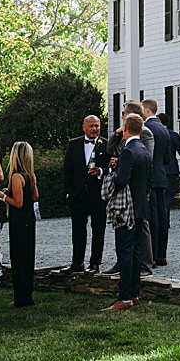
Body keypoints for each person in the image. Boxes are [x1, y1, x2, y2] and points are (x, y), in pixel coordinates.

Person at [102, 113, 151, 312]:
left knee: (124, 251)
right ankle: (135, 293)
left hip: (127, 208)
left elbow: (121, 180)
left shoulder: (129, 151)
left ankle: (124, 297)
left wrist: (111, 173)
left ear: (126, 128)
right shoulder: (145, 150)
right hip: (141, 206)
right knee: (136, 252)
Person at [0, 142, 38, 307]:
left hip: (19, 221)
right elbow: (34, 196)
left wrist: (1, 196)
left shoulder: (17, 176)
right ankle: (26, 295)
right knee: (27, 257)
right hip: (29, 219)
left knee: (19, 258)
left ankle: (21, 298)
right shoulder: (30, 175)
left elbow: (17, 203)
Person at [143, 97, 180, 267]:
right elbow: (168, 158)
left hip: (151, 178)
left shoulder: (146, 128)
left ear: (147, 110)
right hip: (162, 176)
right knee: (162, 216)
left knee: (152, 216)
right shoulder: (164, 130)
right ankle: (161, 254)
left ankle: (152, 255)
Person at [63, 114, 107, 272]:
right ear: (84, 127)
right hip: (78, 195)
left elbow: (113, 168)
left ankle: (95, 263)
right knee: (78, 229)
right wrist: (70, 191)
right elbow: (68, 169)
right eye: (91, 126)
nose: (95, 129)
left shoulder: (106, 145)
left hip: (98, 195)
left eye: (97, 126)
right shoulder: (74, 144)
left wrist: (101, 171)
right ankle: (77, 262)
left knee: (98, 229)